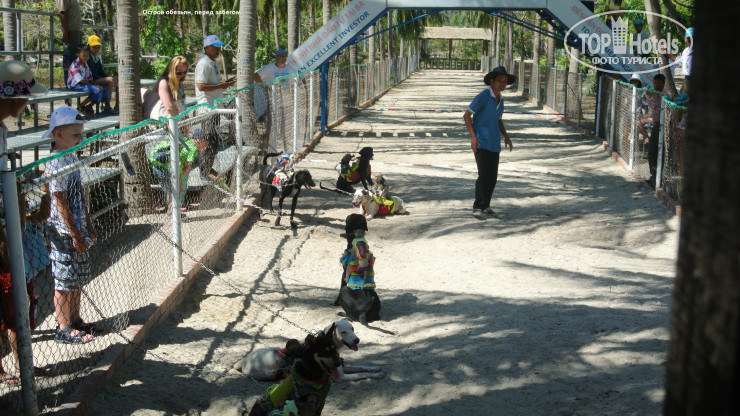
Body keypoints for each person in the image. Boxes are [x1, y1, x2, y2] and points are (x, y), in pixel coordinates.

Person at [0, 60, 47, 385]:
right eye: (25, 95)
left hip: (8, 230)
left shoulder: (2, 130)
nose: (29, 102)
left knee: (14, 302)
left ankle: (22, 365)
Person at [43, 106, 99, 344]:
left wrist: (87, 221)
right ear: (59, 134)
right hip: (63, 230)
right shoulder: (56, 162)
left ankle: (75, 320)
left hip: (77, 226)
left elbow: (80, 195)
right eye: (75, 135)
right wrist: (74, 232)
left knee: (77, 278)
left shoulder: (71, 156)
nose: (80, 139)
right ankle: (64, 326)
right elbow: (60, 201)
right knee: (65, 280)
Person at [463, 67, 514, 219]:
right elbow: (467, 116)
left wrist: (506, 135)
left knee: (492, 177)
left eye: (505, 82)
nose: (502, 84)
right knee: (483, 175)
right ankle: (478, 207)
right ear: (492, 81)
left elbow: (498, 119)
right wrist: (473, 137)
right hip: (481, 142)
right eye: (499, 81)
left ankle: (486, 206)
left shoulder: (501, 99)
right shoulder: (483, 96)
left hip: (494, 143)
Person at [148, 128, 210, 215]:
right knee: (177, 189)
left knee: (170, 189)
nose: (206, 145)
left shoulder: (186, 141)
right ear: (198, 140)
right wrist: (180, 181)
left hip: (158, 165)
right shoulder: (193, 149)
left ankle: (171, 210)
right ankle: (173, 212)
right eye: (205, 142)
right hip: (168, 168)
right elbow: (186, 167)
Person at [67, 44, 109, 115]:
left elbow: (89, 77)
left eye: (87, 55)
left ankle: (89, 106)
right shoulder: (75, 65)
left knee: (104, 90)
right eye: (84, 55)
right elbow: (80, 80)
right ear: (78, 55)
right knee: (97, 90)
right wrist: (95, 86)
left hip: (84, 83)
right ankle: (81, 106)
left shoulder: (85, 64)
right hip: (76, 85)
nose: (86, 57)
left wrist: (96, 85)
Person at [194, 34, 234, 106]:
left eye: (219, 47)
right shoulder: (203, 64)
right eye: (215, 47)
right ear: (207, 48)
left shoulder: (214, 62)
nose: (218, 49)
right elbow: (201, 86)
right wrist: (220, 86)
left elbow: (213, 83)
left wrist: (226, 83)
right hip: (207, 106)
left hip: (215, 104)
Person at [86, 35, 118, 114]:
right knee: (110, 81)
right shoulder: (87, 58)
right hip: (90, 81)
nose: (97, 49)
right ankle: (107, 106)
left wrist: (110, 77)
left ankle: (117, 106)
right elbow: (91, 75)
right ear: (89, 47)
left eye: (98, 47)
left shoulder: (96, 58)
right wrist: (108, 79)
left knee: (117, 79)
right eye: (94, 47)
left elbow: (102, 72)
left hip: (97, 79)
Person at [56, 0, 82, 85]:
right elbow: (62, 13)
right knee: (70, 57)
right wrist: (66, 33)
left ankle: (76, 81)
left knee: (77, 57)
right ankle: (70, 83)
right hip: (71, 31)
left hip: (77, 30)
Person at [666, 27, 693, 94]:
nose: (690, 40)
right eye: (688, 38)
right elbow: (679, 62)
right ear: (685, 39)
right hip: (687, 80)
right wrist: (667, 53)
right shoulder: (686, 51)